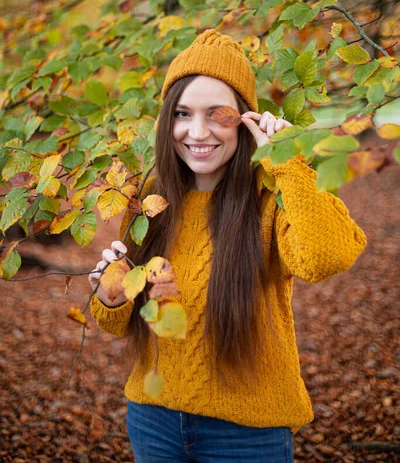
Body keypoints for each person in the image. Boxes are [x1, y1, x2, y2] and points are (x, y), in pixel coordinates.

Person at [89, 29, 367, 463]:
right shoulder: (151, 199)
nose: (197, 131)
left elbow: (327, 256)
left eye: (217, 114)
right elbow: (118, 322)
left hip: (248, 432)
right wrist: (108, 294)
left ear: (245, 119)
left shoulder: (271, 196)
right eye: (182, 113)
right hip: (153, 419)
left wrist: (288, 159)